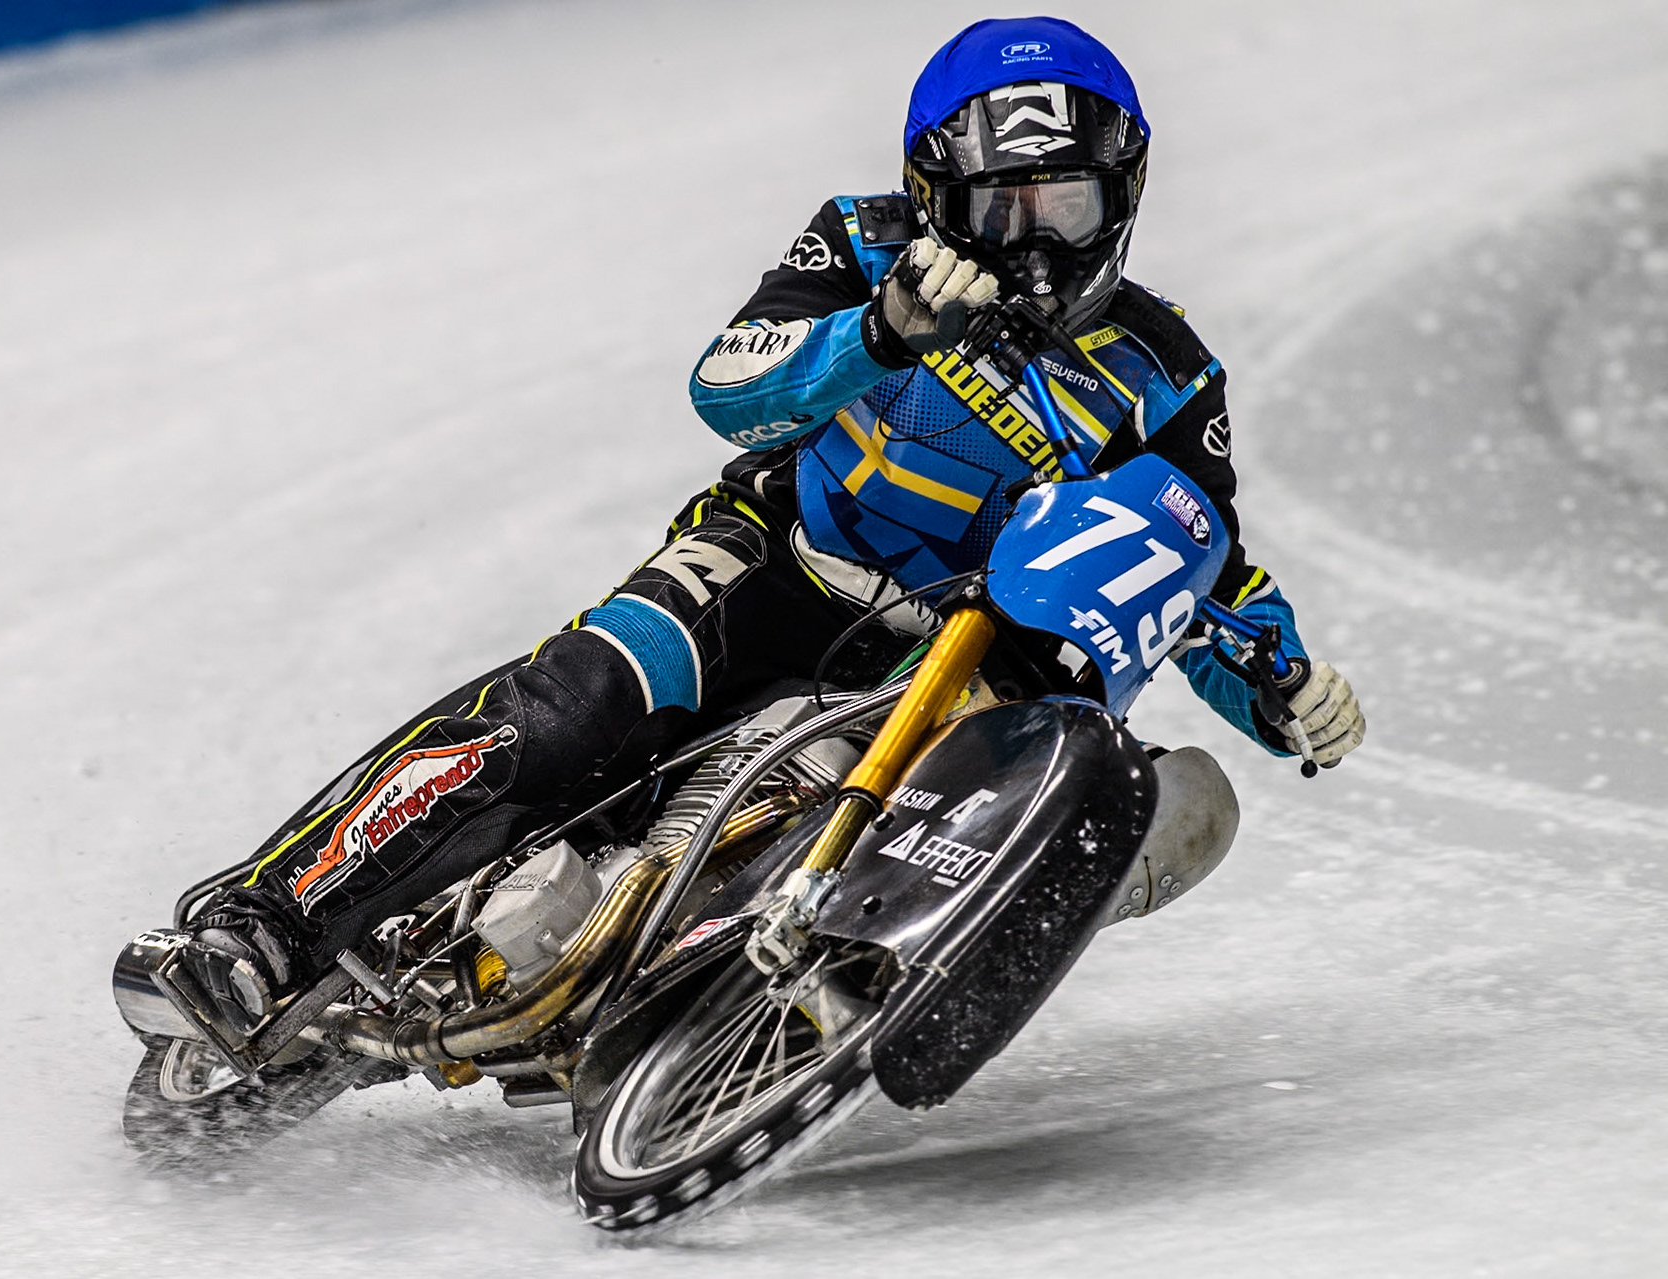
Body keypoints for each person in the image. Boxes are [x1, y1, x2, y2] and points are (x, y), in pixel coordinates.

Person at [175, 15, 1365, 1035]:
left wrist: (1278, 685)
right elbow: (728, 382)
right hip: (782, 555)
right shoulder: (862, 240)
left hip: (952, 658)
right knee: (581, 699)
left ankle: (858, 978)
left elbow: (1190, 551)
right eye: (1000, 206)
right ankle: (264, 921)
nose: (1038, 239)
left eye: (1068, 200)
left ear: (1126, 195)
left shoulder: (1168, 370)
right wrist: (881, 332)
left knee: (1144, 798)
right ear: (932, 192)